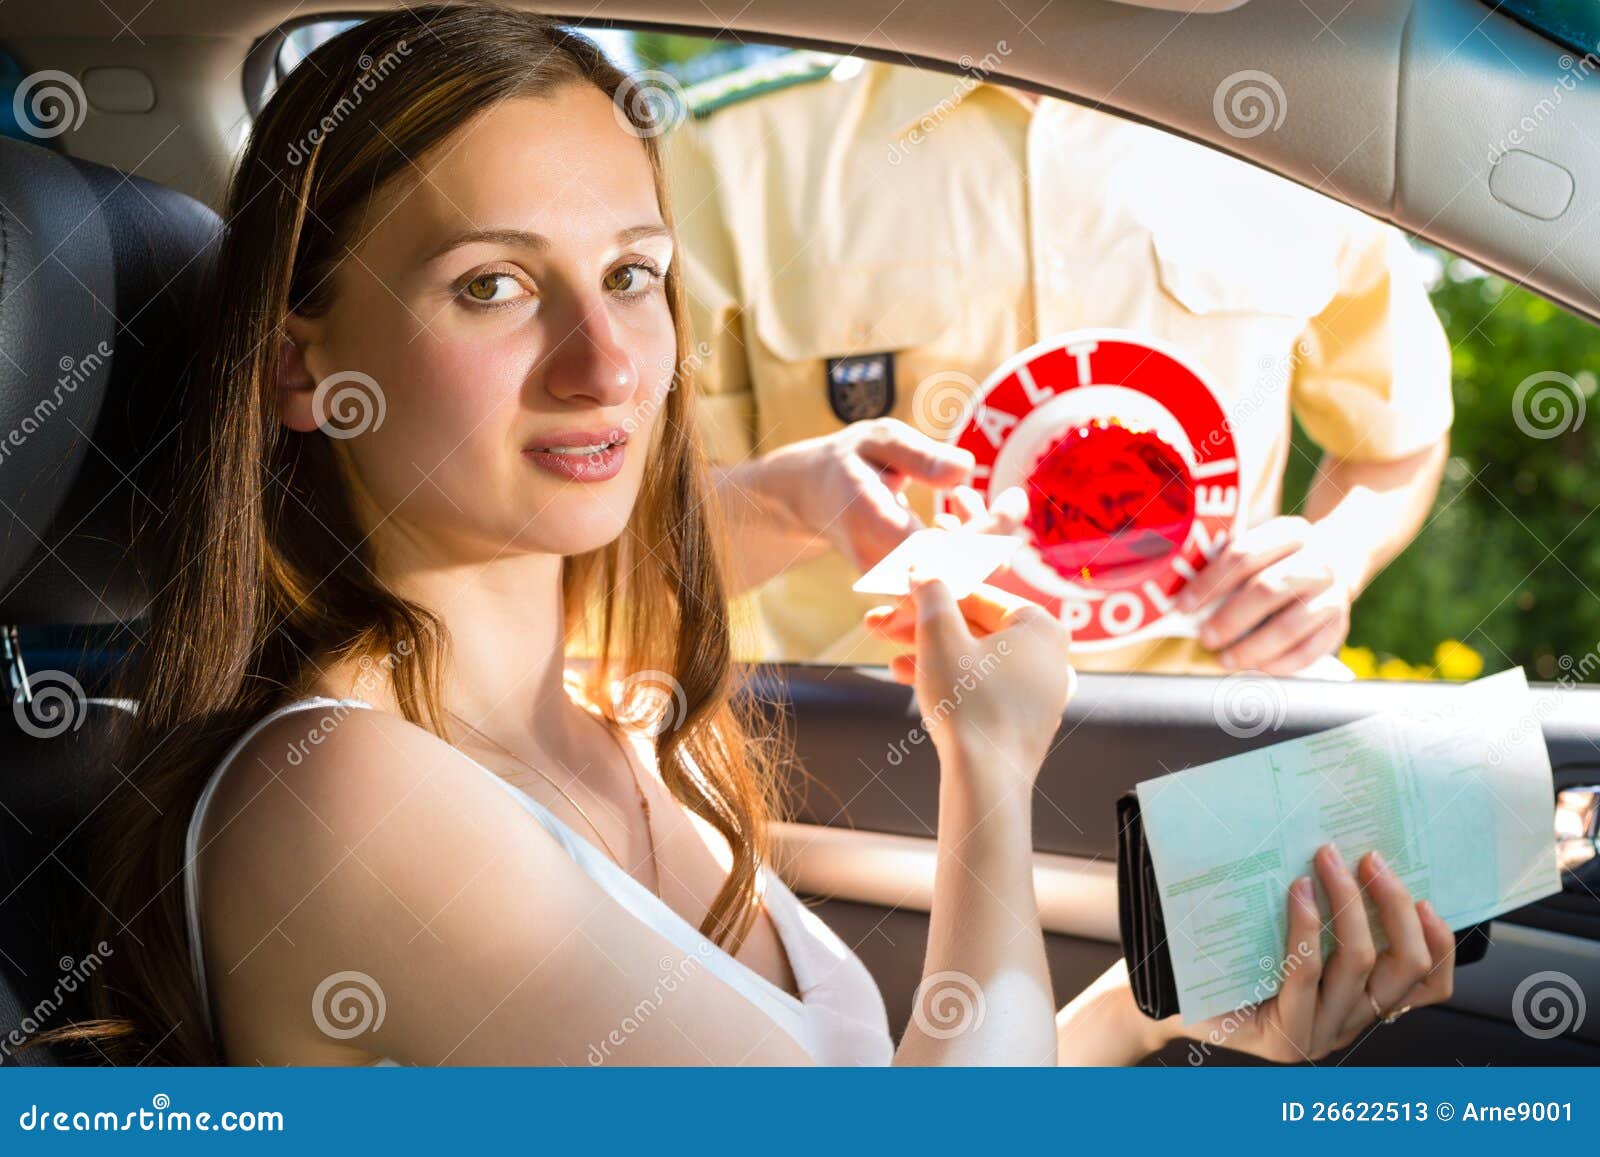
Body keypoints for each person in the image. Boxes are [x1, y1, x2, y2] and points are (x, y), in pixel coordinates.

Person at [53, 5, 1455, 1067]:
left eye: (634, 278)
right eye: (490, 284)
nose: (604, 361)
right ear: (302, 369)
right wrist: (985, 758)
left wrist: (1149, 1005)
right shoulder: (347, 798)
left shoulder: (609, 727)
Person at [664, 55, 1454, 676]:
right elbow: (639, 548)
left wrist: (1335, 556)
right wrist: (800, 505)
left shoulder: (1288, 139)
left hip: (1203, 746)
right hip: (870, 771)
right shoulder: (736, 154)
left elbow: (1397, 440)